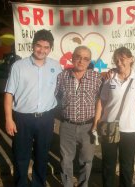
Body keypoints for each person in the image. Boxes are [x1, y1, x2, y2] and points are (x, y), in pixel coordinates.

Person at [4, 29, 62, 187]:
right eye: (39, 46)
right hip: (23, 119)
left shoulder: (56, 67)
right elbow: (9, 93)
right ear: (32, 45)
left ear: (50, 48)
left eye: (46, 47)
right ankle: (21, 184)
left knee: (42, 155)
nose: (42, 50)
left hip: (46, 118)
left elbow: (67, 85)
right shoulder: (18, 66)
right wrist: (9, 119)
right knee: (21, 156)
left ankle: (38, 184)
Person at [93, 47, 135, 187]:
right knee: (108, 164)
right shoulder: (109, 78)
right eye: (116, 59)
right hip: (109, 126)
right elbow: (101, 101)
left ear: (131, 59)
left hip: (130, 128)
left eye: (123, 59)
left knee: (127, 165)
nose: (119, 62)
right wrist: (96, 123)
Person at [55, 45, 103, 187]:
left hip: (88, 127)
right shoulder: (62, 76)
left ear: (89, 62)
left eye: (86, 59)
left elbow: (102, 99)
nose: (81, 61)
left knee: (87, 160)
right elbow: (55, 97)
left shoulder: (97, 78)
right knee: (66, 159)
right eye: (78, 57)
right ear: (72, 58)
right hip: (67, 125)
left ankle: (84, 184)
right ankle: (67, 184)